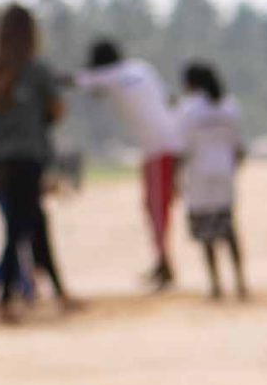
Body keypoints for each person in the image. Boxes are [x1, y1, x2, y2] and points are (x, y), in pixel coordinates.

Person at [0, 4, 77, 322]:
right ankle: (12, 296)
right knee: (22, 228)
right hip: (27, 159)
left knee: (29, 225)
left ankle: (51, 291)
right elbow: (57, 110)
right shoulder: (36, 70)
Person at [74, 40, 184, 291]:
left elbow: (78, 82)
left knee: (156, 208)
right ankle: (162, 261)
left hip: (158, 149)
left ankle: (164, 264)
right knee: (156, 206)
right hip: (167, 143)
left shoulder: (109, 75)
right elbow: (170, 99)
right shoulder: (140, 68)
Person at [174, 62, 247, 300]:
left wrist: (176, 178)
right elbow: (238, 147)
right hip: (224, 172)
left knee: (207, 233)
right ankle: (240, 282)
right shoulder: (229, 105)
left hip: (199, 175)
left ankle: (216, 285)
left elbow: (181, 147)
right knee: (228, 229)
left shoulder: (188, 109)